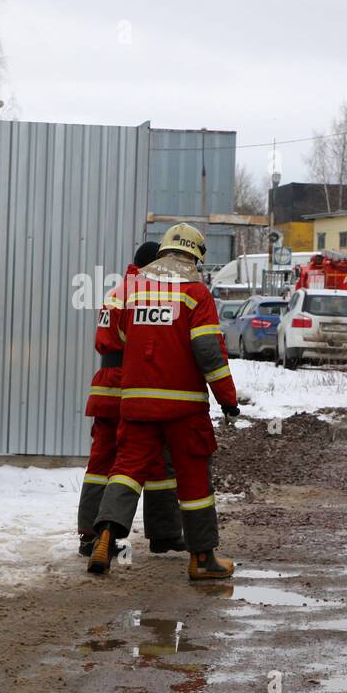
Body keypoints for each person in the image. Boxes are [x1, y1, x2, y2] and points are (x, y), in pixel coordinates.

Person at [88, 223, 239, 580]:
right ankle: (202, 560)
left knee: (126, 469)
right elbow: (207, 351)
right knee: (193, 479)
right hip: (183, 407)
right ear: (194, 256)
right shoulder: (196, 293)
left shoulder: (135, 289)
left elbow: (120, 337)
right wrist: (227, 398)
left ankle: (106, 534)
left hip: (136, 403)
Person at [77, 242, 185, 556]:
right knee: (150, 458)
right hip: (137, 385)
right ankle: (161, 533)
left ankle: (90, 535)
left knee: (104, 462)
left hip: (109, 385)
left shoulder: (118, 291)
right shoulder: (150, 294)